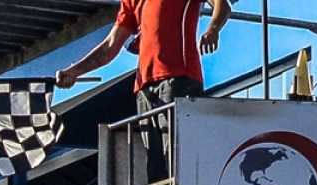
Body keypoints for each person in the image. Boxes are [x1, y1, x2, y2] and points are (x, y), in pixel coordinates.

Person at [57, 0, 233, 109]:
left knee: (175, 149)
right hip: (144, 88)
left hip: (178, 78)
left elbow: (222, 5)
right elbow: (110, 46)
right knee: (153, 156)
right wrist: (74, 71)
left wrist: (213, 30)